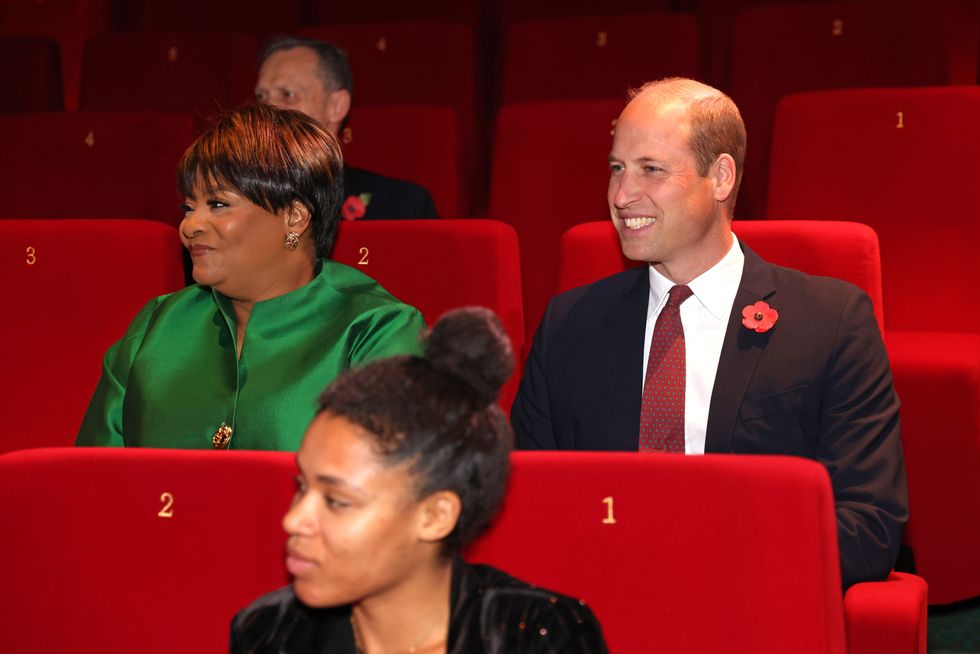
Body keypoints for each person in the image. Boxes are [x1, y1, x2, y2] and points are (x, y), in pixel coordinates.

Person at [510, 78, 908, 589]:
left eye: (650, 169)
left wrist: (701, 560)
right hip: (600, 605)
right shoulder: (570, 324)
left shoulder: (831, 322)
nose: (621, 195)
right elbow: (524, 501)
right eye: (616, 169)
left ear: (720, 177)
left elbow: (869, 526)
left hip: (754, 607)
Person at [231, 308, 608, 653]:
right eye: (302, 487)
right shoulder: (270, 633)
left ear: (434, 515)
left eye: (336, 501)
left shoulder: (536, 638)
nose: (293, 520)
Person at [76, 103, 426, 450]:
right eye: (188, 207)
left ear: (295, 217)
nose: (189, 227)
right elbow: (91, 483)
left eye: (218, 204)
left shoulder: (374, 330)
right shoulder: (156, 326)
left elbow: (391, 485)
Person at [255, 35, 438, 221]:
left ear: (337, 106)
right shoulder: (236, 200)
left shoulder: (400, 206)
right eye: (261, 96)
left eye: (288, 94)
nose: (265, 110)